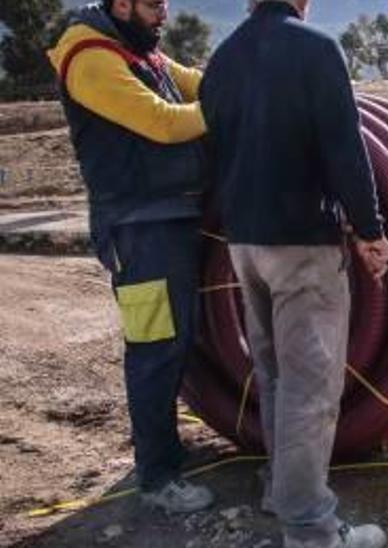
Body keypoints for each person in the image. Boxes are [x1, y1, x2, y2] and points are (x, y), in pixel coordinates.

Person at [199, 0, 388, 547]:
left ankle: (279, 488)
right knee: (311, 386)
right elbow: (343, 147)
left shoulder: (224, 58)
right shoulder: (315, 48)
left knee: (276, 374)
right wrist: (369, 231)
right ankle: (311, 529)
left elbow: (214, 150)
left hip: (245, 245)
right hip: (302, 245)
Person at [46, 0, 214, 514]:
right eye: (153, 5)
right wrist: (235, 107)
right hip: (136, 228)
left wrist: (251, 77)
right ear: (122, 4)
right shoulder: (91, 57)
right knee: (155, 348)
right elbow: (162, 123)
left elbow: (197, 83)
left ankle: (164, 453)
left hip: (169, 218)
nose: (163, 13)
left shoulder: (143, 53)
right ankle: (158, 478)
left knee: (180, 338)